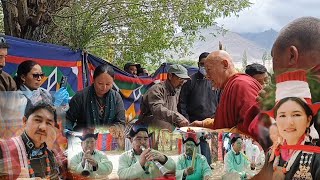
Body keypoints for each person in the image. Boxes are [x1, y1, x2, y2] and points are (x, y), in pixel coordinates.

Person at [190, 50, 262, 136]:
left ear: (225, 64)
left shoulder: (242, 85)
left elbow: (253, 127)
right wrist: (204, 124)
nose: (207, 76)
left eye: (209, 70)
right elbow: (229, 123)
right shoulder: (229, 85)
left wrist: (218, 133)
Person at [178, 52, 220, 166]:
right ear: (198, 64)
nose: (205, 67)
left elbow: (220, 102)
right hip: (192, 123)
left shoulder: (216, 81)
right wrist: (186, 122)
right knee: (191, 147)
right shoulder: (190, 81)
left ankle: (206, 170)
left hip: (210, 123)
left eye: (208, 65)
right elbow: (182, 104)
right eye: (203, 64)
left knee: (205, 147)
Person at [0, 102, 62, 179]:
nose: (43, 127)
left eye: (48, 123)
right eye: (38, 120)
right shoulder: (4, 149)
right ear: (25, 121)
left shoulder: (53, 154)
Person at [269, 97, 320, 179]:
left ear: (308, 120)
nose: (289, 122)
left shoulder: (317, 160)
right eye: (282, 115)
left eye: (296, 115)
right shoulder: (270, 154)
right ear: (276, 120)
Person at [65, 64, 125, 131]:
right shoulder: (81, 96)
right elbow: (68, 119)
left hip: (108, 138)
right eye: (100, 83)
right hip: (84, 138)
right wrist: (68, 132)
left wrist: (114, 129)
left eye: (108, 84)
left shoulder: (116, 97)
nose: (104, 87)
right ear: (93, 80)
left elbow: (120, 122)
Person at [138, 64, 190, 130]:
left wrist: (183, 120)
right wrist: (177, 118)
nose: (182, 83)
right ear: (170, 76)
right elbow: (157, 109)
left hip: (166, 132)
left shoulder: (176, 90)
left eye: (184, 80)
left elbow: (173, 110)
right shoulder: (157, 89)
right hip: (149, 131)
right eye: (180, 79)